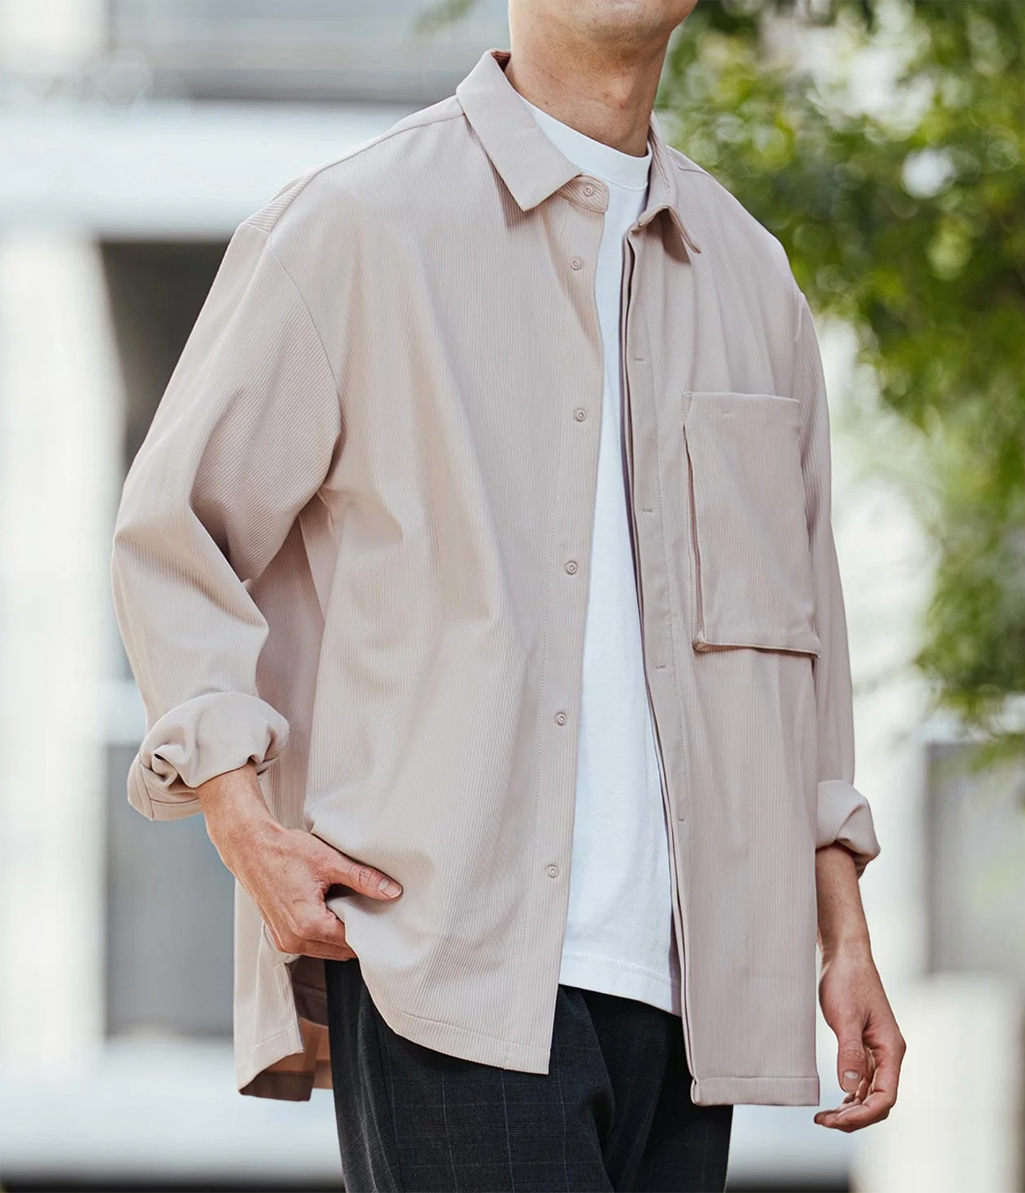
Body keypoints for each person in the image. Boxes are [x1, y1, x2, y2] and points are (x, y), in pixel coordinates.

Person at [110, 2, 906, 1190]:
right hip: (446, 956)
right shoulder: (352, 225)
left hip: (692, 992)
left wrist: (841, 929)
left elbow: (800, 643)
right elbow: (177, 532)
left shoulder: (750, 279)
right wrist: (240, 818)